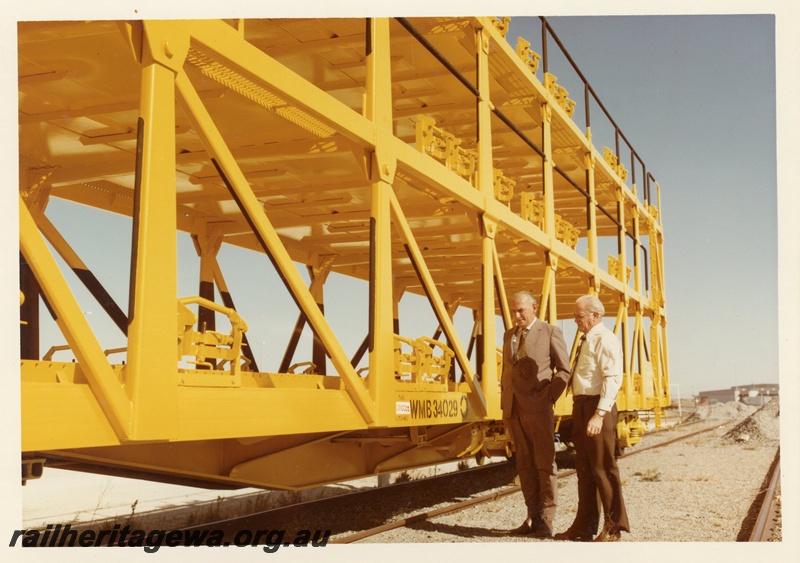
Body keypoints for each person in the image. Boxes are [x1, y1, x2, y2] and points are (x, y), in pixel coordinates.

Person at [554, 294, 630, 542]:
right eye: (576, 316)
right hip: (582, 405)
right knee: (585, 469)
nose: (576, 320)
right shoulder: (588, 338)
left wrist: (599, 414)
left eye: (580, 316)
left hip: (597, 407)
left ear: (596, 316)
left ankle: (614, 527)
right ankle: (583, 527)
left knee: (603, 468)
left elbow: (612, 378)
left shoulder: (605, 340)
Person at [501, 291, 570, 538]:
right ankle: (532, 517)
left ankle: (546, 520)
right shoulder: (509, 335)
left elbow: (564, 370)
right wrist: (505, 407)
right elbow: (506, 373)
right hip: (514, 410)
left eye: (521, 310)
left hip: (539, 409)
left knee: (544, 464)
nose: (517, 315)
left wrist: (548, 398)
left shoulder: (550, 332)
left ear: (534, 307)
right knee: (524, 465)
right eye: (514, 310)